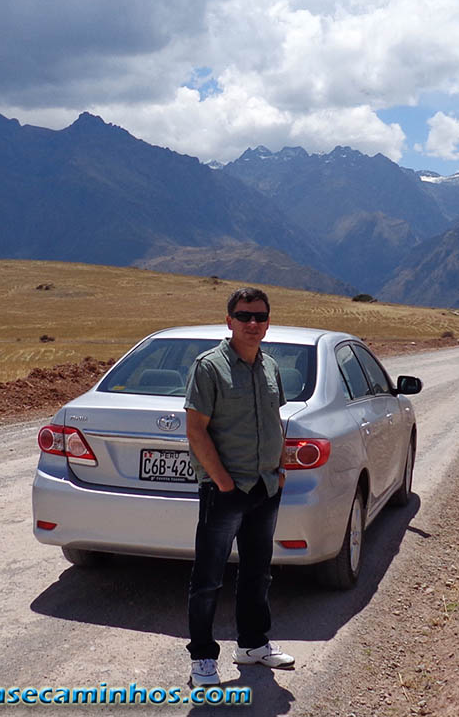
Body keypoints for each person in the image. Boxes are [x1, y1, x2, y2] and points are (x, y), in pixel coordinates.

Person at [184, 287, 295, 687]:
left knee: (257, 571)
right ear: (228, 320)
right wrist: (225, 483)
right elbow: (195, 431)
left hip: (265, 487)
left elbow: (275, 422)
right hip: (226, 490)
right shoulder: (209, 367)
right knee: (208, 577)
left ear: (267, 321)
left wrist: (279, 469)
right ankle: (202, 660)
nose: (253, 324)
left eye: (260, 317)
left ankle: (252, 645)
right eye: (244, 316)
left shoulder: (270, 367)